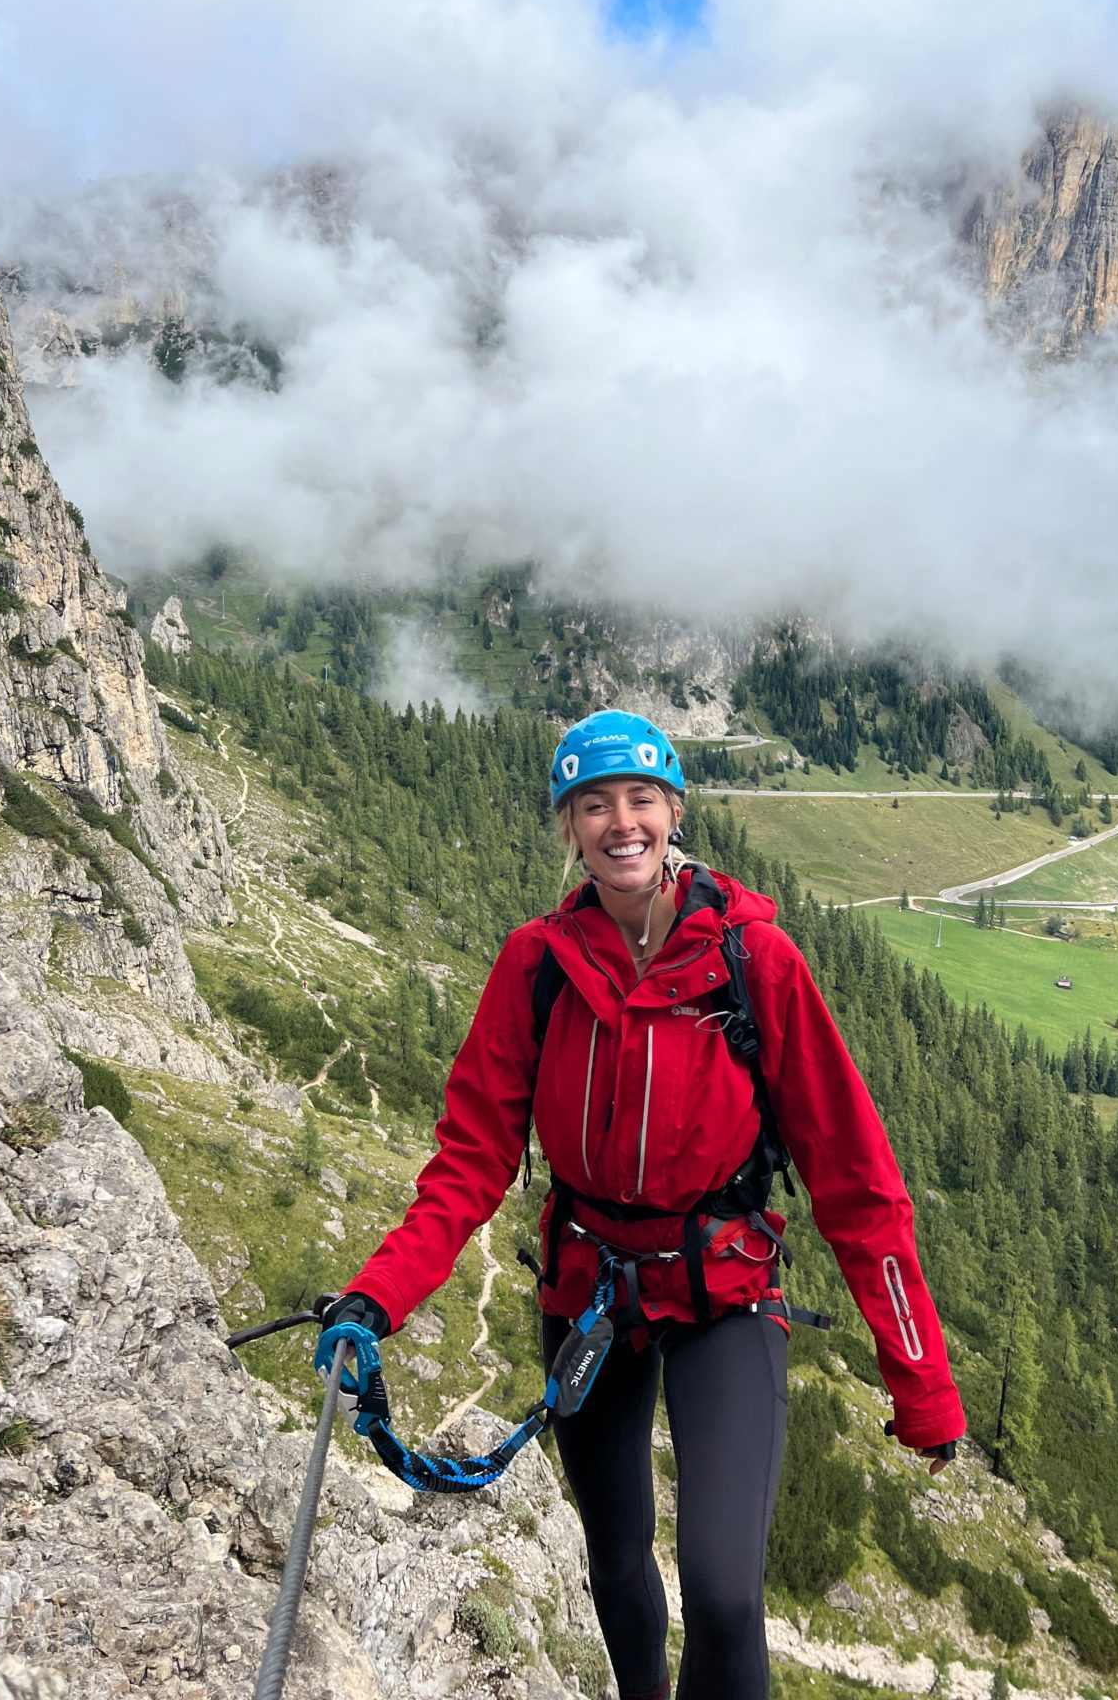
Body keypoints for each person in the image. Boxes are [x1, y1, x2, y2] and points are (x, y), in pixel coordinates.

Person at [322, 709, 964, 1700]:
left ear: (673, 813)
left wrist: (921, 1387)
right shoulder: (535, 967)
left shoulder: (756, 963)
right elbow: (468, 1166)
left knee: (722, 1593)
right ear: (569, 828)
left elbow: (859, 1187)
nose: (621, 823)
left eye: (640, 800)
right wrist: (375, 1299)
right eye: (594, 805)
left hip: (726, 1297)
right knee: (616, 1564)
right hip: (590, 1293)